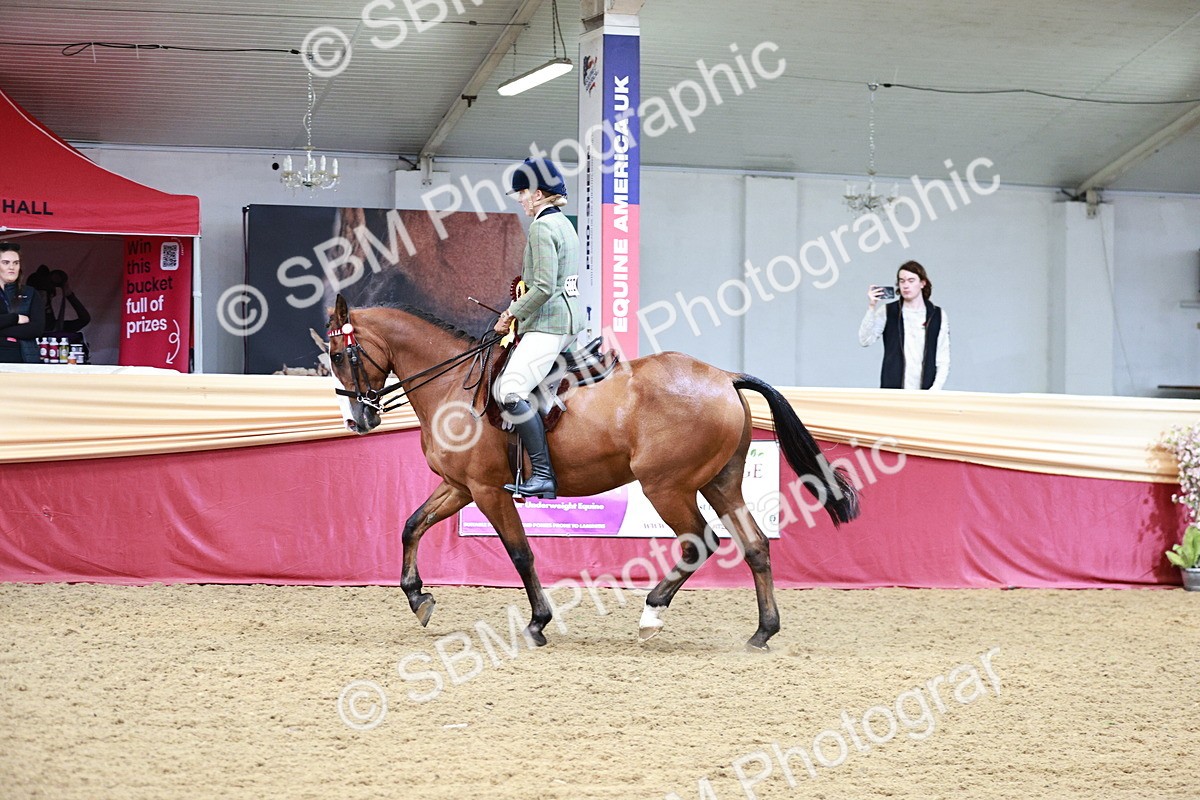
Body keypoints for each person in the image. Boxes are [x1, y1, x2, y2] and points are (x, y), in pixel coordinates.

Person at [492, 158, 584, 498]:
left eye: (522, 192)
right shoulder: (562, 224)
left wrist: (510, 314)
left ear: (539, 194)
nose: (519, 198)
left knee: (509, 391)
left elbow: (544, 286)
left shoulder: (542, 228)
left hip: (550, 324)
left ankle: (543, 474)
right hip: (568, 321)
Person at [859, 260, 949, 390]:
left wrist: (935, 389)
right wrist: (872, 306)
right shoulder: (888, 311)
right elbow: (865, 340)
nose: (906, 285)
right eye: (902, 281)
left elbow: (943, 357)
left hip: (926, 391)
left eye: (911, 280)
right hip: (893, 391)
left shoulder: (937, 315)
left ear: (922, 283)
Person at [0, 243, 47, 364]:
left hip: (25, 359)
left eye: (16, 263)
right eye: (6, 262)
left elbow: (36, 329)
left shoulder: (30, 293)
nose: (12, 267)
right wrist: (15, 318)